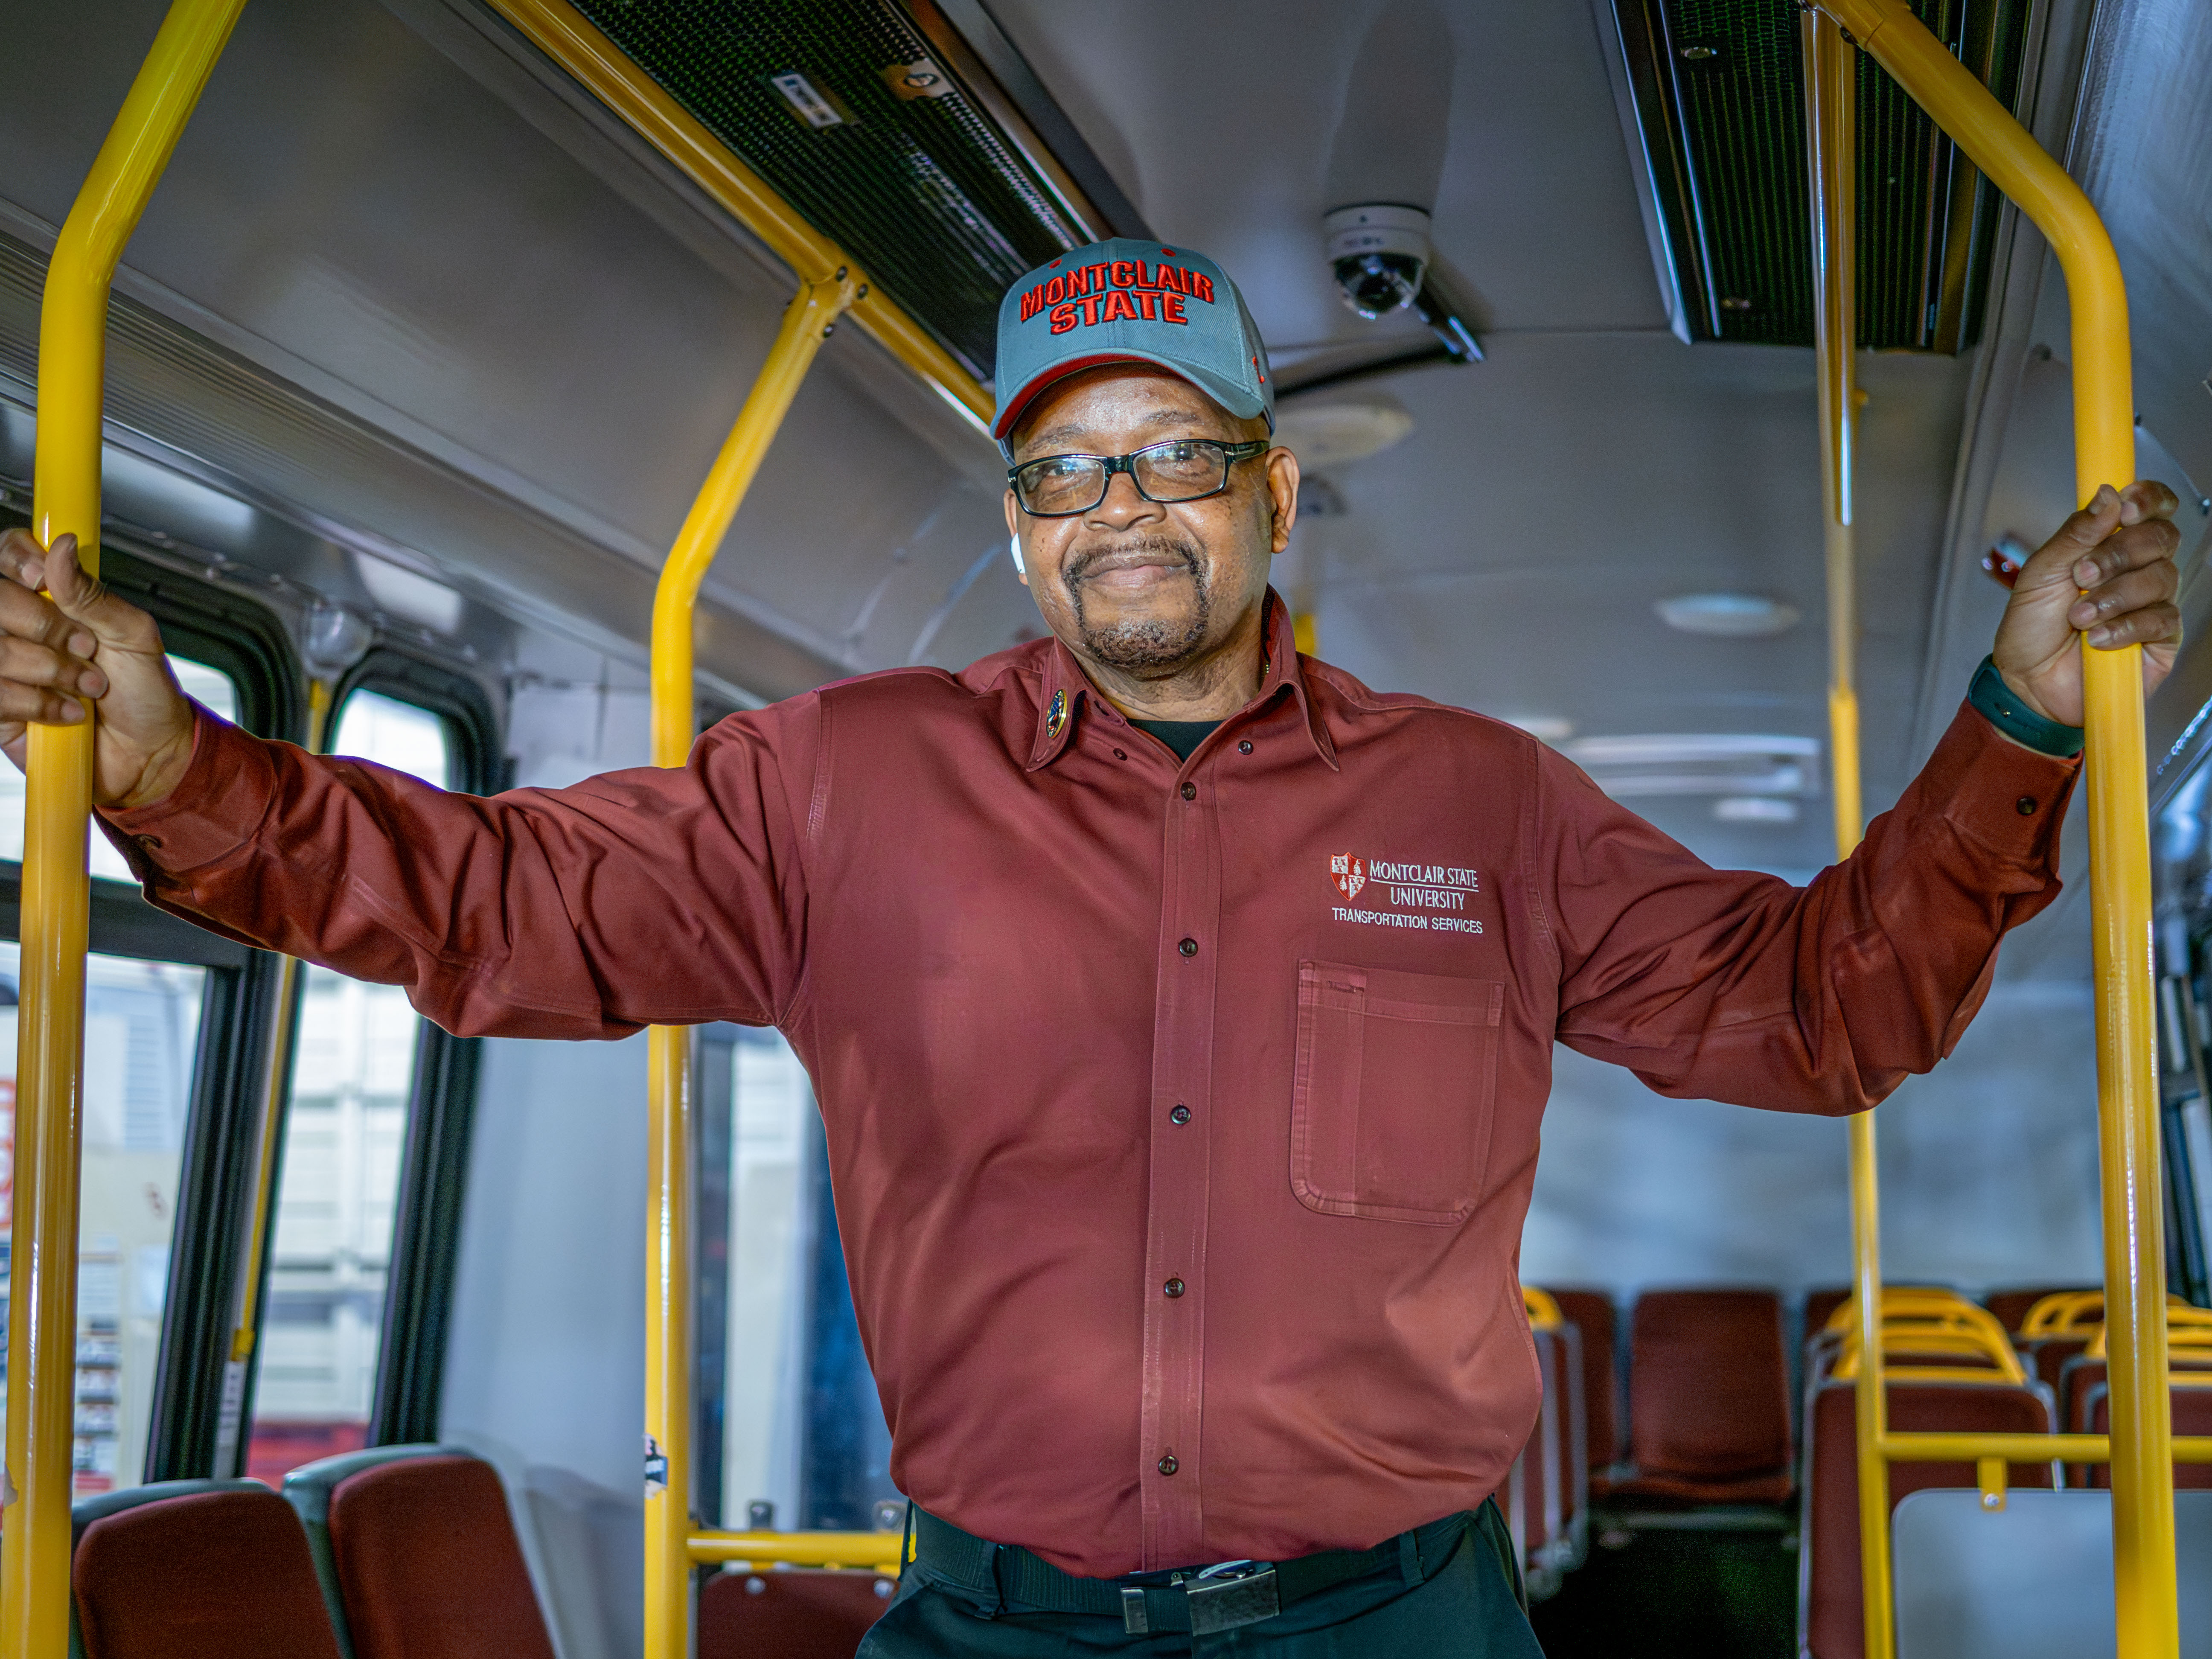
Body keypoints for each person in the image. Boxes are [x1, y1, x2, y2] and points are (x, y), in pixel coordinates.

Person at [0, 237, 2182, 1655]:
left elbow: (1826, 1012)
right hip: (995, 1623)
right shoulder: (839, 786)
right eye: (1065, 480)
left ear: (1270, 493)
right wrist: (171, 761)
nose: (1122, 511)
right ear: (1023, 534)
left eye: (1172, 459)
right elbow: (494, 904)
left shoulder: (1483, 810)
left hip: (1394, 1625)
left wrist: (2013, 716)